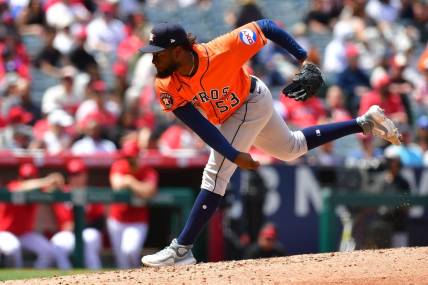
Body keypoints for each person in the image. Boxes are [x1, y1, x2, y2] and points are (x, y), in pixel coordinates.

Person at [139, 19, 401, 267]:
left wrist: (304, 59)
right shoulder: (165, 83)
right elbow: (201, 126)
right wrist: (232, 152)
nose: (152, 59)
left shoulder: (221, 50)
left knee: (215, 174)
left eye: (158, 53)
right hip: (231, 114)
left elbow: (265, 27)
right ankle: (364, 123)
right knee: (291, 149)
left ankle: (182, 248)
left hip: (250, 101)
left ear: (177, 51)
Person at [0, 162, 69, 268]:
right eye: (25, 178)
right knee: (12, 248)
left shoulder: (38, 190)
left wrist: (56, 183)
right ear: (19, 178)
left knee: (49, 252)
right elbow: (23, 187)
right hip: (5, 232)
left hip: (25, 234)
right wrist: (47, 180)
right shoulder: (13, 186)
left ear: (35, 177)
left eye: (30, 177)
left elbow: (53, 190)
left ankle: (34, 279)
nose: (27, 180)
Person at [108, 139, 159, 268]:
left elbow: (149, 190)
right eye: (126, 157)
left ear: (138, 156)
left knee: (129, 251)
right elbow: (116, 185)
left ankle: (136, 278)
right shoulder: (119, 165)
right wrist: (137, 186)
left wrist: (130, 181)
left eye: (131, 157)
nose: (129, 160)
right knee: (121, 260)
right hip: (117, 220)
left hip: (137, 221)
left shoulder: (147, 170)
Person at [50, 158, 104, 269]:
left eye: (78, 174)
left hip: (89, 232)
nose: (75, 178)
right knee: (56, 244)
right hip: (68, 234)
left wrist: (80, 225)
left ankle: (97, 276)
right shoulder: (62, 192)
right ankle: (67, 277)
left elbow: (100, 222)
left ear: (85, 175)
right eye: (72, 174)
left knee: (88, 241)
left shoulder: (92, 193)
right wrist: (52, 180)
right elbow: (44, 191)